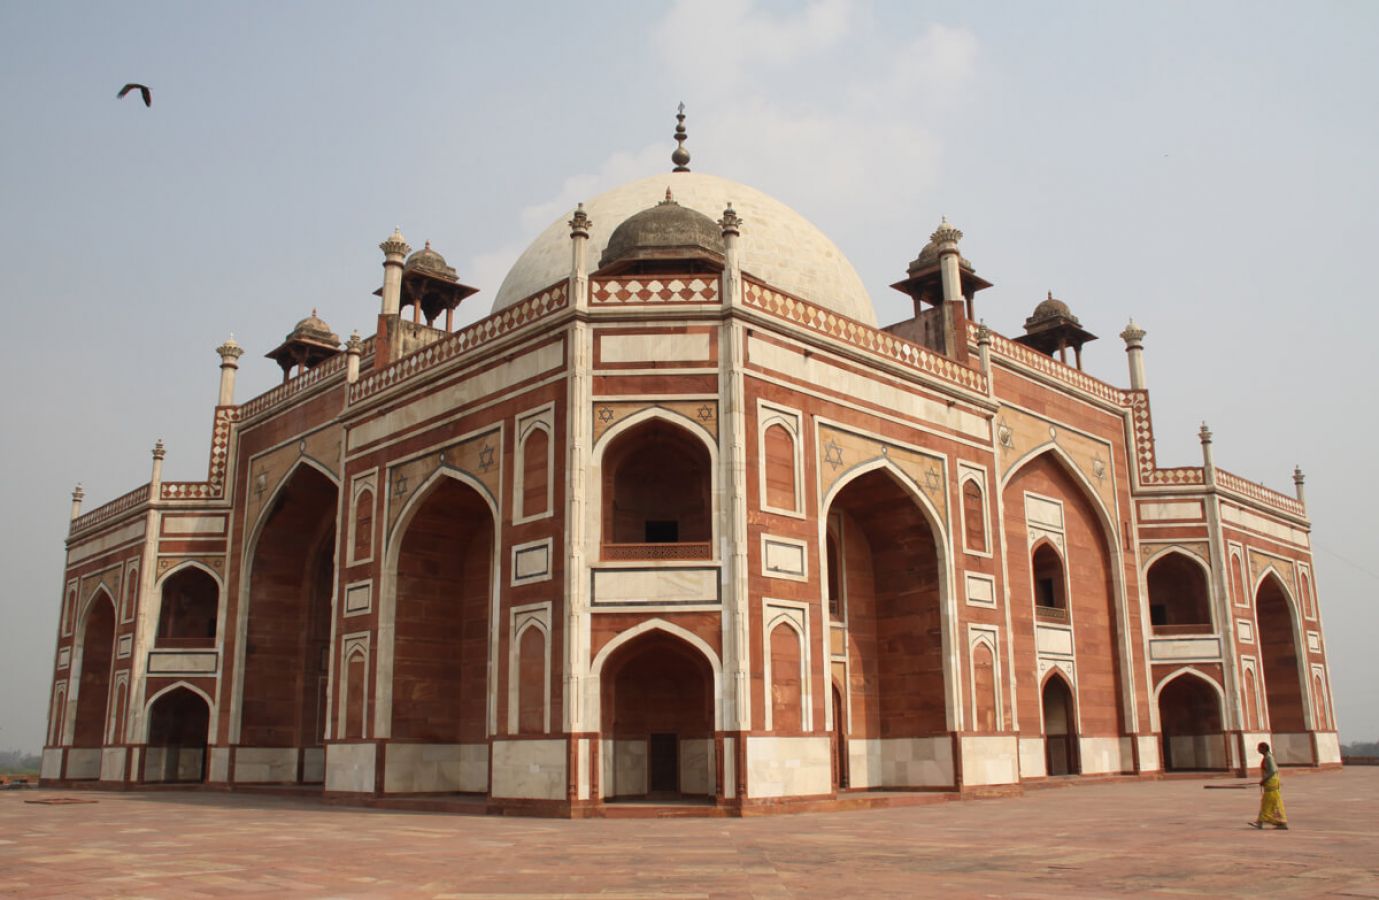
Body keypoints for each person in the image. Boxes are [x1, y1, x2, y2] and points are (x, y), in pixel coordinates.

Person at [1249, 742, 1288, 830]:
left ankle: (1261, 822)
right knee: (1273, 803)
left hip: (1271, 783)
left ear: (1263, 749)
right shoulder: (1267, 757)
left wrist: (1264, 780)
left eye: (1259, 748)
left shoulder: (1268, 758)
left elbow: (1273, 770)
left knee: (1268, 802)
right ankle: (1280, 822)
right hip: (1271, 783)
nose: (1258, 750)